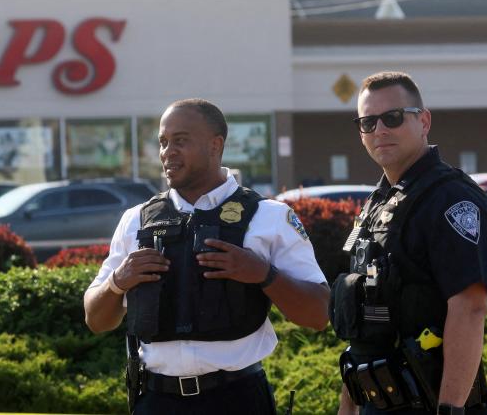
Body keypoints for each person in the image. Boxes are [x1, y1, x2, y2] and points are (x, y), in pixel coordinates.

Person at [83, 98, 330, 414]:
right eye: (163, 142)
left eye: (181, 141)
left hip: (237, 399)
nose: (167, 151)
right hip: (156, 401)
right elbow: (96, 320)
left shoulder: (269, 217)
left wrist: (263, 274)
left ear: (216, 145)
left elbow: (319, 314)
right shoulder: (136, 221)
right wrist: (118, 283)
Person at [332, 72, 487, 415]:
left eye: (392, 117)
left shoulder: (451, 200)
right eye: (367, 122)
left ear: (424, 121)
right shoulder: (379, 203)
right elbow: (365, 328)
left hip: (430, 403)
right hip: (376, 401)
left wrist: (450, 409)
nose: (379, 130)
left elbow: (469, 308)